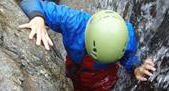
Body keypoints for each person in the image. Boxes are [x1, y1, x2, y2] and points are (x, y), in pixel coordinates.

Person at [19, 0, 156, 91]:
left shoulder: (127, 35)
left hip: (103, 80)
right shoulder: (73, 22)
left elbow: (128, 57)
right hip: (75, 69)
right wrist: (37, 18)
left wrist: (136, 68)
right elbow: (29, 2)